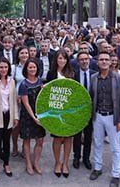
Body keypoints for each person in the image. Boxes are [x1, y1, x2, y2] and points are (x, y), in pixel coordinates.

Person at [88, 52, 120, 187]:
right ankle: (97, 168)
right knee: (98, 143)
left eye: (106, 59)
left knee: (115, 147)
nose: (104, 61)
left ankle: (116, 174)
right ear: (97, 62)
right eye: (101, 59)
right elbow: (91, 97)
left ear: (111, 62)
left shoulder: (118, 78)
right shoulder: (93, 78)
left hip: (113, 117)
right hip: (98, 116)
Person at [46, 50, 75, 178]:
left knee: (68, 137)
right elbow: (48, 92)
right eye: (59, 58)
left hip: (69, 110)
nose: (62, 61)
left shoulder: (72, 73)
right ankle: (57, 162)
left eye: (64, 58)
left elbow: (76, 91)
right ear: (56, 60)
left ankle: (65, 163)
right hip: (55, 110)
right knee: (57, 137)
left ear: (67, 60)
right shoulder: (51, 73)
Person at [18, 58, 45, 175]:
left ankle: (36, 162)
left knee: (40, 140)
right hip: (28, 116)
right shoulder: (23, 84)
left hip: (40, 114)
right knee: (27, 140)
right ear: (26, 69)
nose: (32, 69)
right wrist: (34, 118)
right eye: (30, 67)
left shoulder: (40, 82)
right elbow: (26, 104)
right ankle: (28, 163)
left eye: (34, 67)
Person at [72, 52, 95, 170]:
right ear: (78, 62)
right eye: (81, 59)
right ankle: (76, 157)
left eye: (86, 59)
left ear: (89, 60)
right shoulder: (73, 75)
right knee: (76, 135)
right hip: (76, 111)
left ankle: (86, 158)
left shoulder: (94, 75)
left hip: (90, 111)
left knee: (88, 136)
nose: (84, 61)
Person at [11, 46, 29, 157]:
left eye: (26, 53)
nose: (24, 55)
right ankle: (14, 146)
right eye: (22, 53)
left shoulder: (31, 66)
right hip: (16, 99)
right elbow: (11, 83)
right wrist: (15, 96)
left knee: (26, 125)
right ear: (18, 55)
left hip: (28, 99)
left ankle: (24, 147)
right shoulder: (14, 68)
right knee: (16, 125)